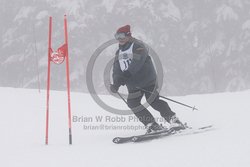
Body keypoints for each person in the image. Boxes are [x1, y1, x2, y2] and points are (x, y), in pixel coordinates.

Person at [110, 25, 184, 134]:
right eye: (117, 36)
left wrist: (126, 75)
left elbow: (137, 62)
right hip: (134, 85)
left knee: (153, 101)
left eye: (121, 36)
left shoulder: (138, 46)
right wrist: (116, 83)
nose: (119, 39)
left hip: (148, 81)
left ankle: (174, 120)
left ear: (128, 35)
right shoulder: (119, 53)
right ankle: (152, 125)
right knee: (132, 103)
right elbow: (117, 70)